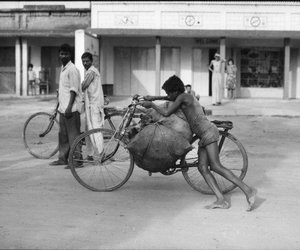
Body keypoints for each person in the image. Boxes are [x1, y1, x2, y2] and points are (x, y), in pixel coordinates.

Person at [141, 75, 257, 211]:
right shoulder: (183, 96)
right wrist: (153, 98)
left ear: (175, 91)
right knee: (203, 168)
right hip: (203, 136)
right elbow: (169, 98)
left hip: (208, 132)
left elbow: (166, 112)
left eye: (168, 92)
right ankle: (221, 200)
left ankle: (248, 190)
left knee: (216, 166)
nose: (167, 95)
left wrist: (152, 105)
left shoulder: (184, 97)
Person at [49, 44, 82, 168]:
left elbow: (73, 90)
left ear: (70, 55)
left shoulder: (72, 69)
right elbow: (62, 90)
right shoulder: (63, 69)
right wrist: (58, 107)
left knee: (73, 136)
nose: (63, 56)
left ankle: (78, 160)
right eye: (62, 53)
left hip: (71, 109)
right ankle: (62, 158)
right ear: (59, 55)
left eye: (66, 54)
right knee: (62, 136)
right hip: (63, 108)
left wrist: (69, 107)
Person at [81, 52, 105, 160]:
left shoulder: (91, 71)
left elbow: (84, 86)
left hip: (94, 106)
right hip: (90, 105)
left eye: (87, 61)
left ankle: (101, 155)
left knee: (96, 131)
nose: (85, 63)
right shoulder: (91, 71)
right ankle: (90, 154)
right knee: (88, 131)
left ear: (91, 61)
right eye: (83, 61)